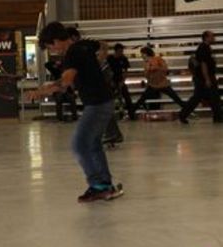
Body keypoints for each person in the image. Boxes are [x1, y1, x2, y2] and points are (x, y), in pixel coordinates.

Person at [27, 22, 123, 202]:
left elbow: (65, 82)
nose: (52, 51)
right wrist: (97, 63)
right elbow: (102, 45)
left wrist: (40, 91)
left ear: (56, 41)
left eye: (50, 46)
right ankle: (105, 185)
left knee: (79, 145)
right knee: (93, 144)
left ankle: (98, 186)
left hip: (97, 104)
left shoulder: (71, 54)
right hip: (104, 100)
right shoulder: (83, 46)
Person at [179, 31, 222, 124]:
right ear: (206, 37)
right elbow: (203, 64)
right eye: (212, 36)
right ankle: (182, 115)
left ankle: (218, 117)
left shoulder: (206, 47)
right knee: (209, 97)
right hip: (204, 78)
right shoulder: (203, 48)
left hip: (204, 78)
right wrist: (207, 79)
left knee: (210, 98)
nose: (214, 38)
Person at [134, 46, 185, 112]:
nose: (142, 56)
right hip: (154, 85)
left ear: (146, 53)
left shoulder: (157, 59)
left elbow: (165, 68)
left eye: (142, 54)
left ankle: (187, 108)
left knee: (176, 98)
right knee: (141, 99)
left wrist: (154, 69)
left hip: (162, 84)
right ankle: (132, 112)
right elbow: (147, 75)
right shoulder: (146, 64)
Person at [107, 43, 135, 120]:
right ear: (115, 51)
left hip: (120, 81)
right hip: (110, 81)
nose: (121, 53)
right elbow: (107, 70)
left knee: (127, 98)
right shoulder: (109, 58)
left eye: (122, 51)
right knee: (109, 99)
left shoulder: (124, 59)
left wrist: (122, 82)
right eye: (119, 51)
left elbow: (125, 72)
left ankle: (132, 115)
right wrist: (110, 81)